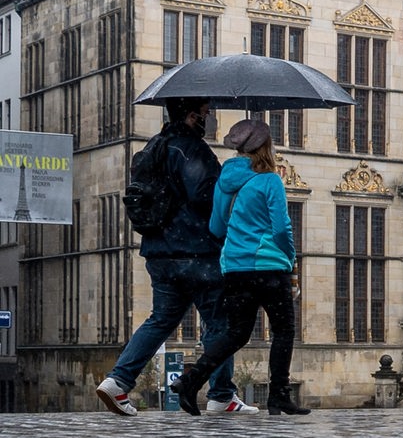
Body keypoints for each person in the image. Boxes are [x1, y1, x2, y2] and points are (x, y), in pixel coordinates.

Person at [96, 99, 255, 416]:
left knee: (161, 320)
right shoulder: (191, 148)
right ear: (192, 115)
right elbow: (203, 196)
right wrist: (228, 181)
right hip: (196, 253)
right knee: (221, 325)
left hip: (159, 253)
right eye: (206, 114)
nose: (208, 120)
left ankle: (118, 381)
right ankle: (222, 395)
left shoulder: (152, 147)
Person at [170, 119, 307, 415]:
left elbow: (217, 227)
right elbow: (282, 228)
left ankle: (192, 380)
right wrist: (291, 258)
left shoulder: (225, 181)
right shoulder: (270, 179)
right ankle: (279, 395)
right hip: (269, 267)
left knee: (236, 333)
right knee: (284, 330)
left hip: (234, 268)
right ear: (265, 147)